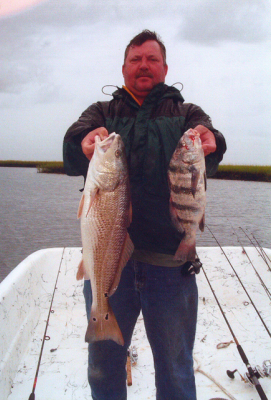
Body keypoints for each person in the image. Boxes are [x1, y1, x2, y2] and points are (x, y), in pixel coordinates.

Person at [63, 30, 226, 400]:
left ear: (165, 67)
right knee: (104, 365)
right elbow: (74, 144)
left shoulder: (186, 113)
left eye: (152, 59)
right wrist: (81, 144)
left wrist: (212, 140)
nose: (144, 66)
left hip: (171, 263)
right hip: (110, 261)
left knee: (175, 365)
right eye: (136, 59)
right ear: (123, 68)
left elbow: (209, 142)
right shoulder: (103, 112)